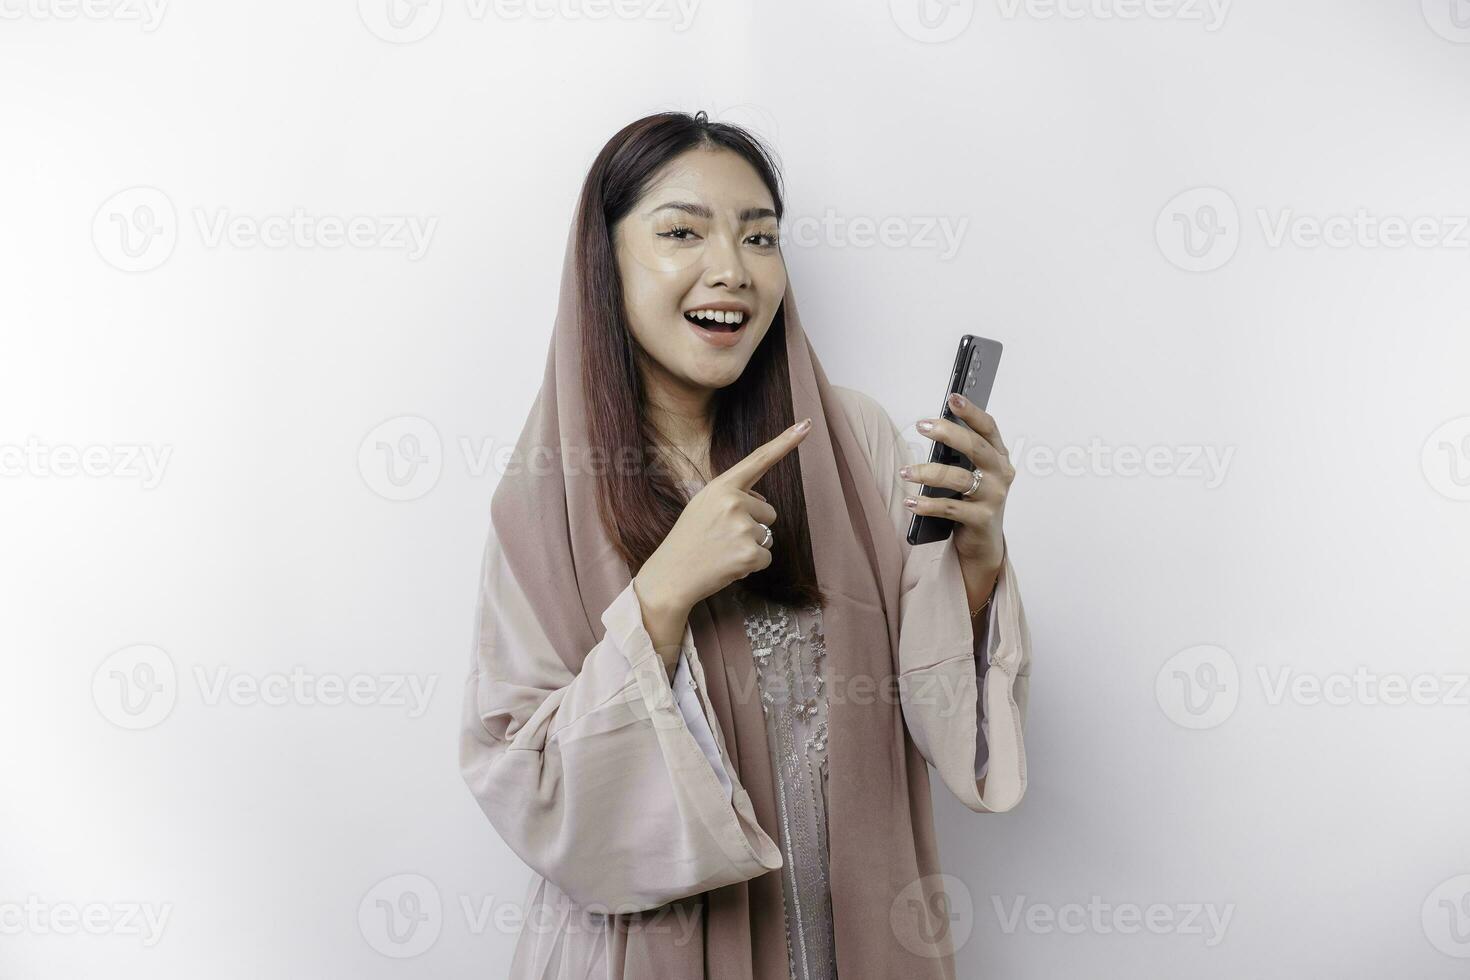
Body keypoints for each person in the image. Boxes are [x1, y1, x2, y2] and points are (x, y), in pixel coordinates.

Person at [458, 110, 1033, 980]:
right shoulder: (547, 499)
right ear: (603, 262)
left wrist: (978, 559)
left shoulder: (853, 443)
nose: (731, 270)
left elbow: (937, 704)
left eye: (759, 237)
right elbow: (527, 785)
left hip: (854, 942)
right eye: (681, 231)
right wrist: (660, 598)